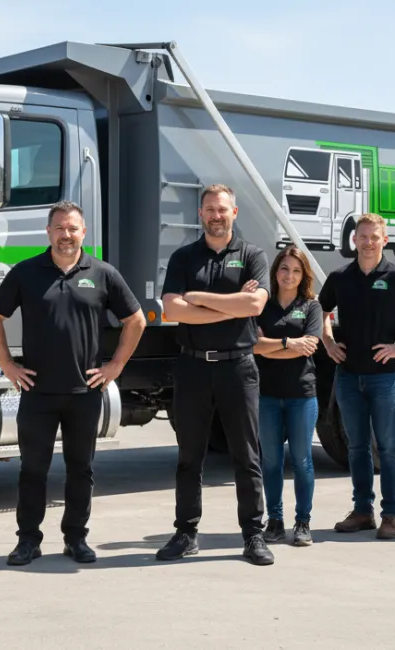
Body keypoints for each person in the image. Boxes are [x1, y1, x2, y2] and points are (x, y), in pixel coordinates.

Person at [0, 201, 145, 566]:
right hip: (37, 392)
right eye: (59, 228)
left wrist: (115, 366)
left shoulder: (102, 273)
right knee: (32, 470)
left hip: (84, 393)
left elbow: (135, 320)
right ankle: (28, 540)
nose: (66, 235)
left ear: (83, 233)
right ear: (48, 232)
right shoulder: (26, 272)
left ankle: (76, 538)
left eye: (73, 228)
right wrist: (7, 365)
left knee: (81, 469)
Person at [156, 184, 274, 566]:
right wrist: (232, 307)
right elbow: (172, 310)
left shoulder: (253, 255)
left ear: (234, 212)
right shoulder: (184, 257)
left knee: (247, 455)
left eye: (222, 209)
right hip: (192, 367)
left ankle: (253, 535)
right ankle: (186, 533)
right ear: (200, 214)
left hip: (238, 367)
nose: (216, 215)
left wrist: (199, 299)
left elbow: (255, 303)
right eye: (209, 209)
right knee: (189, 456)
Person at [319, 213, 395, 540]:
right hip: (348, 377)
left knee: (387, 448)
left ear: (385, 240)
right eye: (363, 236)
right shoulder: (340, 277)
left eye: (375, 237)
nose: (369, 242)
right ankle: (362, 511)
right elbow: (320, 311)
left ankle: (391, 515)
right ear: (354, 240)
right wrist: (328, 342)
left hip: (384, 378)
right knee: (357, 447)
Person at [253, 246, 324, 547]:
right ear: (276, 271)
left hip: (301, 396)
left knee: (302, 459)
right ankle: (275, 520)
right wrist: (288, 343)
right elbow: (253, 346)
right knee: (270, 461)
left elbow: (309, 346)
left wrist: (272, 347)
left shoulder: (311, 306)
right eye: (284, 268)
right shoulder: (263, 306)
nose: (289, 275)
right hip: (266, 396)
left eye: (296, 270)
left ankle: (303, 522)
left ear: (303, 274)